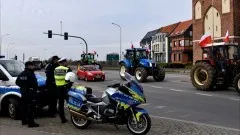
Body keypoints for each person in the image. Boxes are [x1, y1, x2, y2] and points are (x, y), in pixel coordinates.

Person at [16, 61, 40, 128]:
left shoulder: (22, 73)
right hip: (30, 93)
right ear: (28, 66)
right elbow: (33, 83)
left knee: (24, 107)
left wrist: (23, 87)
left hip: (24, 92)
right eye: (32, 65)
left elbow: (17, 82)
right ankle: (31, 123)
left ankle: (24, 121)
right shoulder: (29, 73)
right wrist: (32, 88)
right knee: (31, 108)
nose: (33, 67)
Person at [54, 58, 73, 123]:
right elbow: (72, 79)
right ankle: (74, 117)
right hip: (65, 89)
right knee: (71, 103)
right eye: (66, 62)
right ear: (64, 62)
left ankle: (63, 119)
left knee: (61, 104)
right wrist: (69, 86)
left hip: (58, 89)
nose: (67, 63)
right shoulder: (67, 69)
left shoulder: (56, 69)